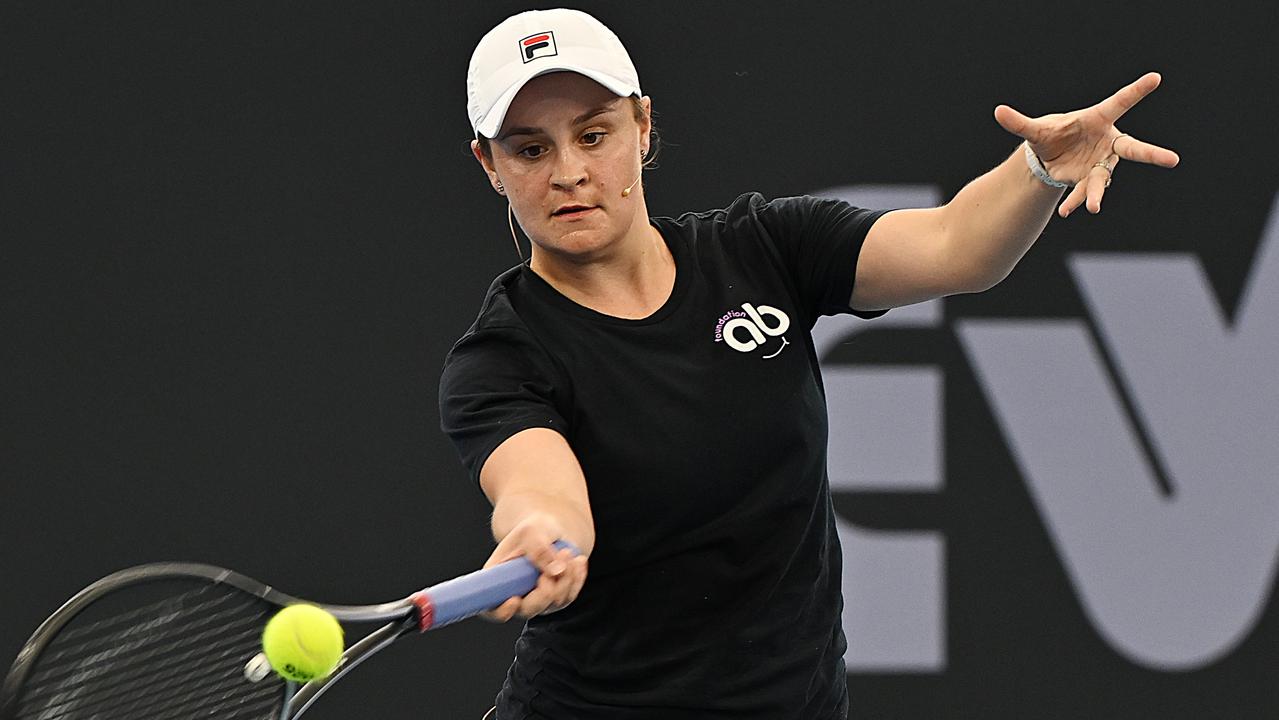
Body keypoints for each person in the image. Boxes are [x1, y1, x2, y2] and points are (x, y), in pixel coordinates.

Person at [440, 8, 1178, 719]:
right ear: (490, 166)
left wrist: (1038, 169)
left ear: (642, 126)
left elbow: (957, 247)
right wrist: (544, 532)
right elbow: (542, 491)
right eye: (530, 149)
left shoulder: (763, 248)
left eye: (593, 135)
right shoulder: (503, 357)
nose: (568, 171)